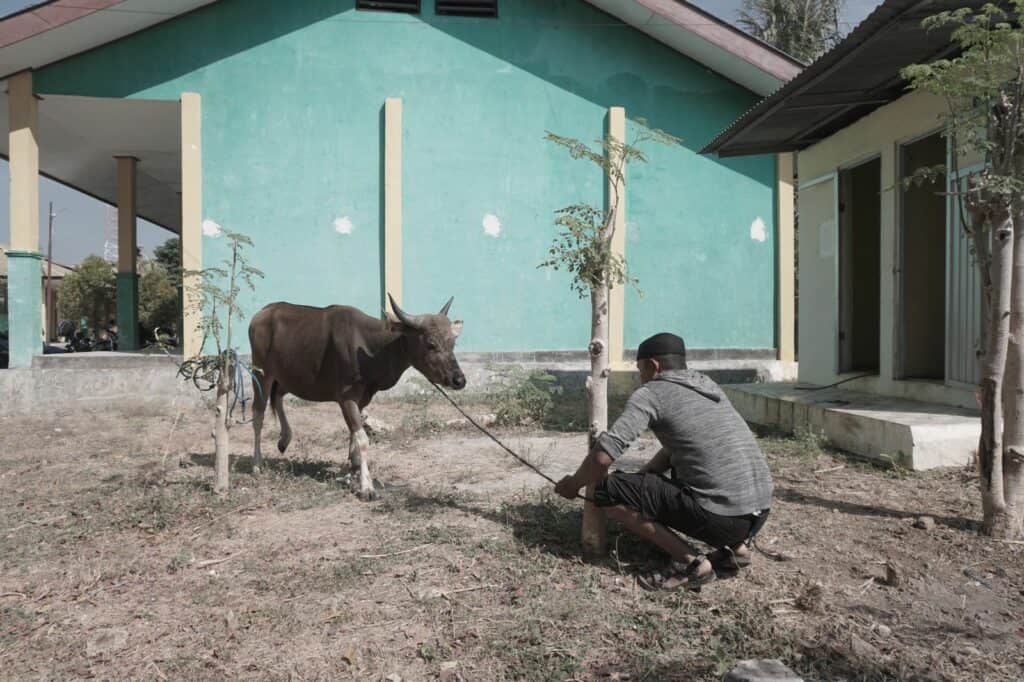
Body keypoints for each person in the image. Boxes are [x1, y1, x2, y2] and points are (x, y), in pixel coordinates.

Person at [555, 332, 773, 590]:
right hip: (758, 513)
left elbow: (604, 455)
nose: (640, 377)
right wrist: (643, 482)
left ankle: (693, 565)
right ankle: (738, 550)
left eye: (640, 370)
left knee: (606, 490)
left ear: (653, 365)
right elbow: (678, 449)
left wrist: (574, 485)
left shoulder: (652, 393)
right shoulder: (707, 386)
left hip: (722, 519)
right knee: (677, 474)